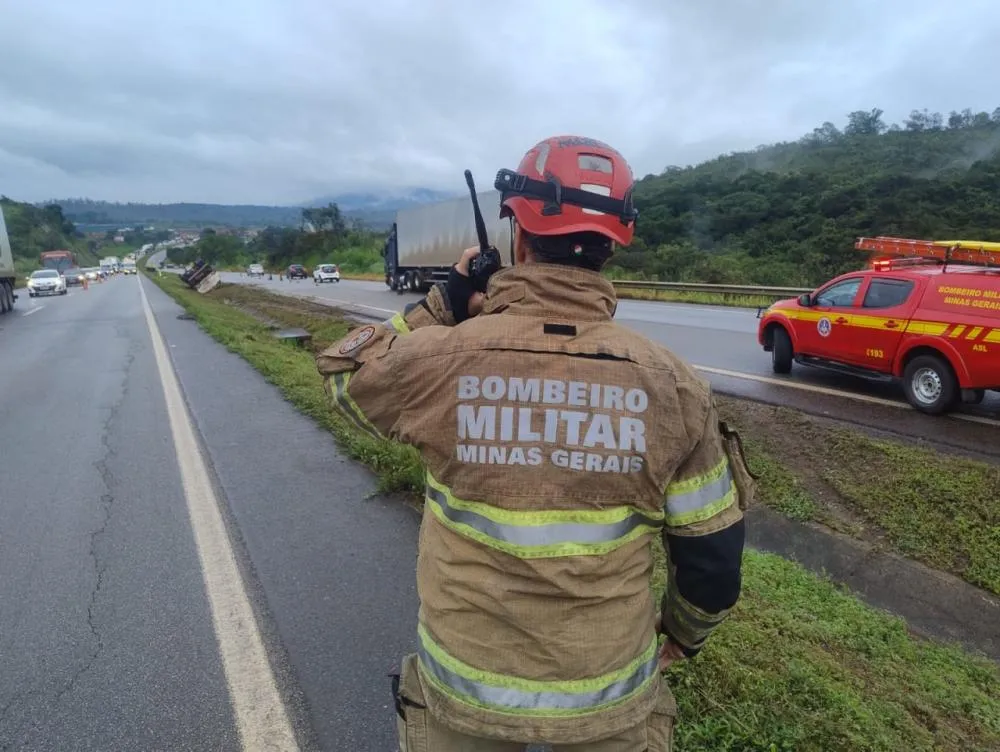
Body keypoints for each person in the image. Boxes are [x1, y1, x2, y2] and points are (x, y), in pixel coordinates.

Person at [315, 135, 753, 752]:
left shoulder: (442, 358)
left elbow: (341, 375)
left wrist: (440, 306)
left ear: (518, 239)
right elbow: (711, 559)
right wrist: (682, 635)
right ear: (611, 248)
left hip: (463, 694)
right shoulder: (676, 386)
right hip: (611, 701)